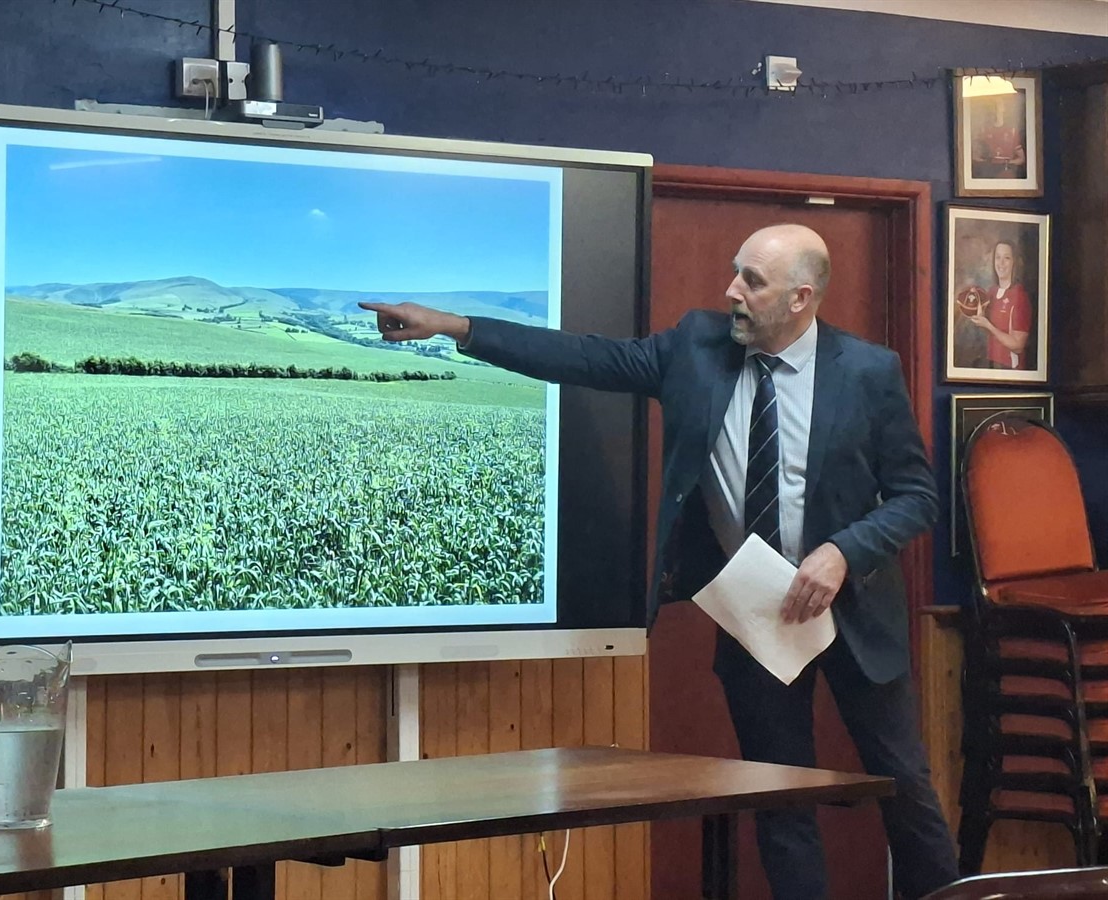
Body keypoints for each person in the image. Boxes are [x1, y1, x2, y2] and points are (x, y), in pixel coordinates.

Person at [359, 223, 959, 900]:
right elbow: (584, 358)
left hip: (853, 617)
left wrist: (842, 552)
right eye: (735, 272)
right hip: (756, 618)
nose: (731, 291)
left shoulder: (869, 372)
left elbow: (917, 496)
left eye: (752, 281)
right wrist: (452, 326)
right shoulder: (694, 349)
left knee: (905, 786)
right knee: (780, 797)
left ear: (801, 298)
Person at [968, 239, 1032, 370]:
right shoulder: (992, 292)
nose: (1001, 263)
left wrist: (988, 326)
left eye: (1006, 258)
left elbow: (1018, 345)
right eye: (998, 257)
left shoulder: (1019, 296)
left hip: (1010, 369)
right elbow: (991, 330)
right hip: (992, 363)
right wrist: (978, 318)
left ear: (1014, 262)